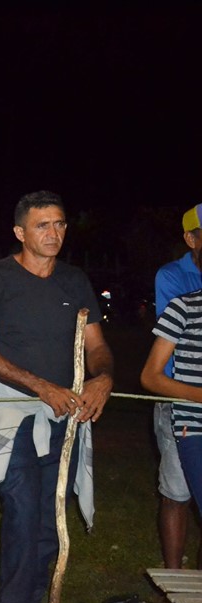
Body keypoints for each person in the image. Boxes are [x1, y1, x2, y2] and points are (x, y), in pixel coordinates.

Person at [0, 191, 113, 603]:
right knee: (22, 508)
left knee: (53, 515)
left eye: (60, 223)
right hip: (16, 412)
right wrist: (41, 387)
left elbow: (97, 346)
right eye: (42, 225)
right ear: (20, 232)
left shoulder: (74, 280)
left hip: (67, 414)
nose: (54, 233)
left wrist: (103, 378)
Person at [141, 248, 202, 603]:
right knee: (176, 496)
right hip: (193, 427)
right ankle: (180, 595)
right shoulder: (183, 307)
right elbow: (151, 376)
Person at [150, 204, 202, 571]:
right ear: (190, 238)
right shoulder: (173, 277)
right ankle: (173, 580)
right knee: (177, 493)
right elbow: (165, 358)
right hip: (178, 399)